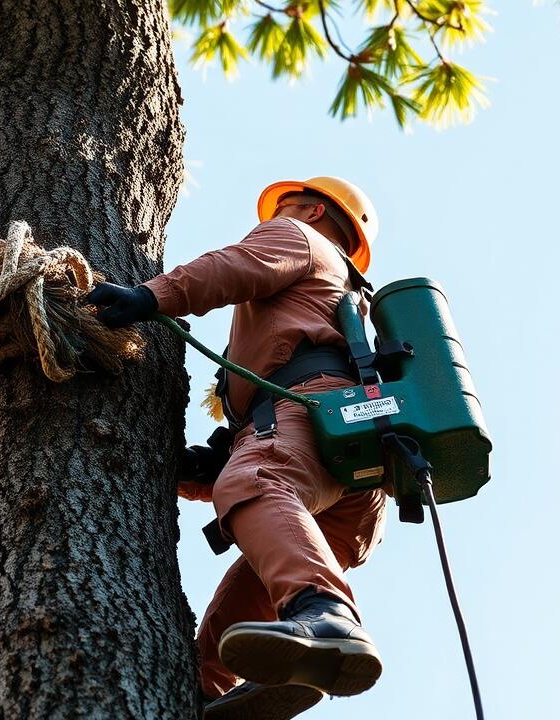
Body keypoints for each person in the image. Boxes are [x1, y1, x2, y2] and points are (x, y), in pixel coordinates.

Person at [86, 177, 389, 719]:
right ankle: (206, 691)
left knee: (255, 484)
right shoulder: (345, 298)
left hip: (311, 415)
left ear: (313, 212)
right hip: (354, 467)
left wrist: (150, 296)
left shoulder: (298, 237)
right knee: (257, 574)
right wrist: (207, 466)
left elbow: (233, 267)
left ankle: (329, 617)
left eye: (285, 207)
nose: (271, 219)